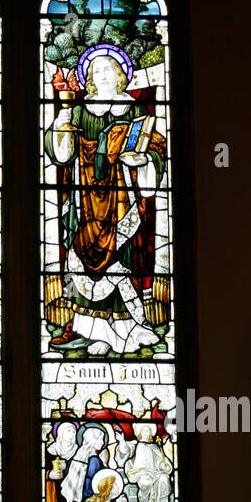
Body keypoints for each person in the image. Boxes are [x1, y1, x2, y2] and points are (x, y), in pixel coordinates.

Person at [43, 44, 166, 355]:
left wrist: (144, 161)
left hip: (122, 198)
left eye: (109, 69)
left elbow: (155, 145)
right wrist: (62, 123)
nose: (103, 75)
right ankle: (86, 328)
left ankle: (124, 329)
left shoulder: (136, 110)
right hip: (85, 200)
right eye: (96, 71)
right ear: (90, 79)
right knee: (80, 256)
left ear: (122, 75)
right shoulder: (82, 110)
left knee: (122, 259)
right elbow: (62, 153)